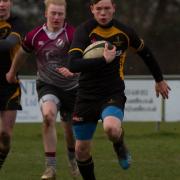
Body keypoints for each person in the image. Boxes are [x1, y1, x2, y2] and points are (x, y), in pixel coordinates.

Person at [68, 0, 171, 180]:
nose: (103, 13)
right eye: (98, 9)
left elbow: (145, 52)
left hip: (112, 93)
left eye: (107, 8)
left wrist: (159, 79)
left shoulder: (125, 32)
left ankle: (119, 143)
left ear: (114, 8)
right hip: (86, 96)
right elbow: (73, 64)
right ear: (92, 9)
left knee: (111, 128)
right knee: (81, 150)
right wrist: (103, 60)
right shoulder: (84, 31)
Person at [6, 0, 79, 179]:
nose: (56, 17)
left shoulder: (73, 35)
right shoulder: (35, 35)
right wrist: (12, 72)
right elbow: (21, 54)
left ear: (65, 15)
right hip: (48, 85)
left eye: (60, 14)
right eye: (53, 13)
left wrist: (74, 69)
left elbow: (82, 59)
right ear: (46, 14)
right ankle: (50, 168)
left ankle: (73, 161)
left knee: (70, 130)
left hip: (72, 88)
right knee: (48, 116)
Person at [0, 0, 26, 170]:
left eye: (5, 0)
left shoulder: (17, 23)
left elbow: (8, 44)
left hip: (9, 83)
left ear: (10, 3)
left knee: (5, 135)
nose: (1, 4)